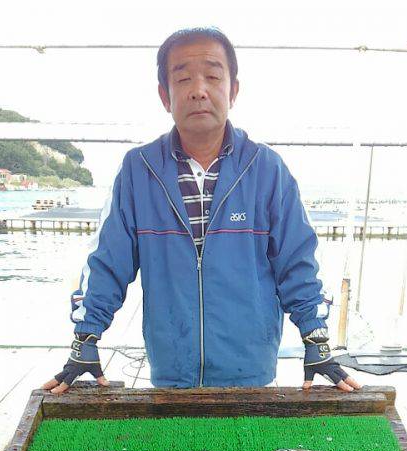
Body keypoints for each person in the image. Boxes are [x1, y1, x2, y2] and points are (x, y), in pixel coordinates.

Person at [43, 27, 361, 395]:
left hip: (251, 373)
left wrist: (316, 339)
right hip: (171, 372)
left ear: (234, 90)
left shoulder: (267, 169)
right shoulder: (138, 170)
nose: (198, 89)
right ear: (165, 95)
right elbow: (108, 264)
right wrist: (86, 338)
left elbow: (297, 264)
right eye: (182, 78)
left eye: (212, 76)